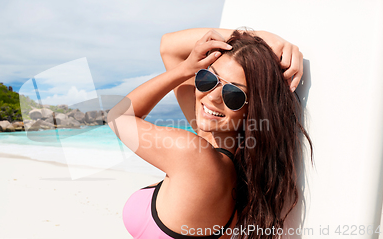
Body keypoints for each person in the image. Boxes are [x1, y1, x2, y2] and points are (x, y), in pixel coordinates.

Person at [107, 28, 313, 239]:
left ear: (253, 110)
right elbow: (168, 47)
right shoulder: (236, 160)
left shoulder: (194, 156)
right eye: (207, 78)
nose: (212, 97)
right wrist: (262, 38)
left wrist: (184, 70)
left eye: (234, 94)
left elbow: (118, 116)